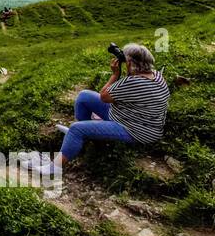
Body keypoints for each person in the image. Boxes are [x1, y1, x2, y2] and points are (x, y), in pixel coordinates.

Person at [23, 43, 169, 176]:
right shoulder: (156, 76)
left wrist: (115, 74)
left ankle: (54, 167)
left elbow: (103, 97)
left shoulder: (133, 82)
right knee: (84, 97)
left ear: (129, 63)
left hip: (136, 130)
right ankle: (79, 138)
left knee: (76, 128)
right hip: (134, 119)